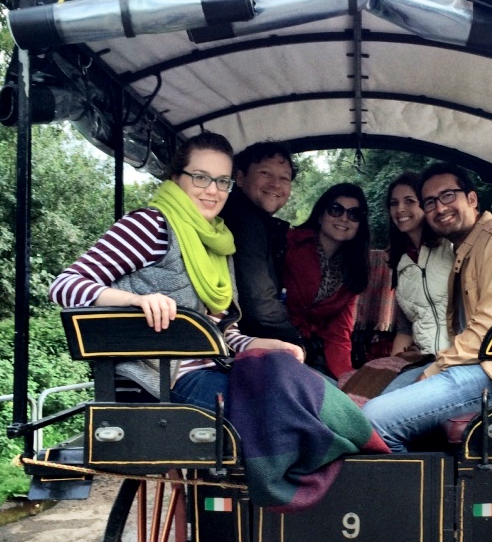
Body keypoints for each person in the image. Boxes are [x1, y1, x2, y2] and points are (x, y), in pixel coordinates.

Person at [49, 132, 303, 408]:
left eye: (221, 181)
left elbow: (222, 336)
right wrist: (136, 301)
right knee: (279, 405)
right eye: (200, 177)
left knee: (299, 383)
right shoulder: (151, 225)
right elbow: (64, 286)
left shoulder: (217, 240)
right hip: (159, 383)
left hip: (214, 369)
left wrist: (268, 345)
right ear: (175, 178)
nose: (212, 190)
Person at [363, 162, 492, 453]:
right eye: (430, 202)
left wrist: (434, 370)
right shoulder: (465, 250)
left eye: (448, 196)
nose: (440, 208)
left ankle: (422, 496)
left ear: (472, 199)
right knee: (378, 398)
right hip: (478, 367)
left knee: (373, 421)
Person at [219, 141, 304, 347]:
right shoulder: (244, 221)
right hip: (236, 341)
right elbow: (259, 307)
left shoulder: (259, 223)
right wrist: (297, 342)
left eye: (284, 178)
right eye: (265, 173)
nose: (276, 184)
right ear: (240, 178)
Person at [282, 183, 371, 379]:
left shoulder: (352, 272)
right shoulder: (290, 244)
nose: (344, 218)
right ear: (321, 215)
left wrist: (345, 379)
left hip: (311, 351)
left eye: (354, 214)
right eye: (336, 210)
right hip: (273, 341)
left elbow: (339, 333)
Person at [386, 171, 454, 356]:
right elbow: (405, 330)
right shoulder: (401, 263)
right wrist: (392, 367)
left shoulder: (451, 248)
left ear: (425, 205)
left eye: (409, 201)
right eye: (394, 203)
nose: (400, 209)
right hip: (423, 360)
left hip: (458, 361)